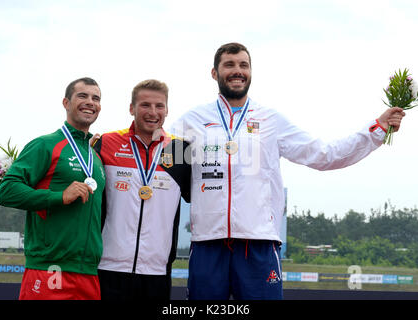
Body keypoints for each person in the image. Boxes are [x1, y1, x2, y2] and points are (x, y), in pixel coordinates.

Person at [170, 42, 405, 300]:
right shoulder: (190, 121)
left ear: (250, 72)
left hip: (258, 243)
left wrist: (377, 129)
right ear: (215, 73)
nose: (237, 71)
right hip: (207, 244)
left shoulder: (271, 120)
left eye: (243, 65)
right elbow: (163, 170)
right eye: (229, 65)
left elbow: (324, 154)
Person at [0, 77, 105, 300]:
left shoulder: (95, 157)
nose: (90, 102)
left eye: (96, 98)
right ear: (66, 103)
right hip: (49, 268)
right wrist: (59, 196)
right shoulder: (45, 145)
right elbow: (7, 191)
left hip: (88, 273)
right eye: (82, 96)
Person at [93, 79, 191, 300]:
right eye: (145, 105)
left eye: (159, 106)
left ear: (167, 110)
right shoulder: (107, 142)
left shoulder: (181, 150)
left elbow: (202, 197)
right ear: (131, 108)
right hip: (108, 266)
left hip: (156, 270)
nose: (153, 112)